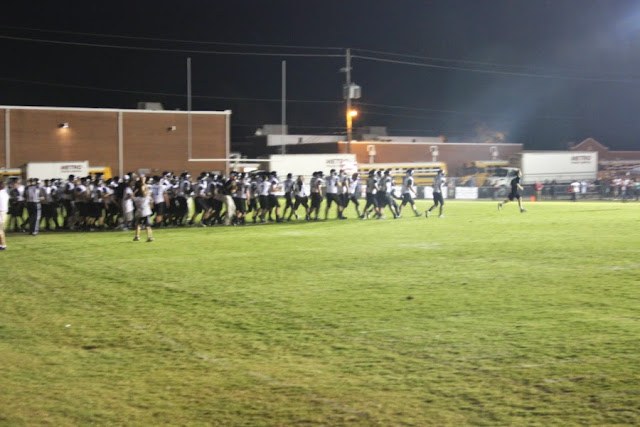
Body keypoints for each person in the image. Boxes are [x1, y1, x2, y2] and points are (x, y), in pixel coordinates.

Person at [0, 180, 9, 250]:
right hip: (3, 212)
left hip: (1, 212)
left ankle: (3, 245)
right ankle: (1, 244)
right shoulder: (5, 193)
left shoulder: (2, 193)